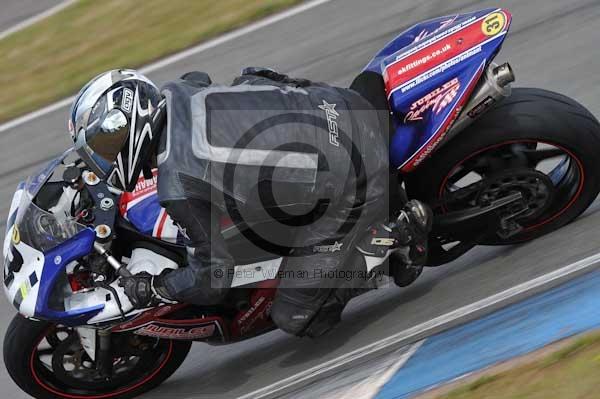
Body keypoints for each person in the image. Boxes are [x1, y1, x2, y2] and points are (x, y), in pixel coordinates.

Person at [68, 68, 431, 337]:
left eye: (105, 148)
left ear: (136, 131)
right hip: (338, 106)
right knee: (248, 83)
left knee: (294, 317)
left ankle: (395, 235)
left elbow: (215, 278)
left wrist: (151, 288)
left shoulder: (178, 185)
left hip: (354, 180)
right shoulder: (177, 90)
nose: (103, 158)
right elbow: (201, 78)